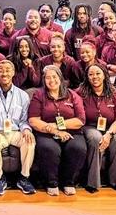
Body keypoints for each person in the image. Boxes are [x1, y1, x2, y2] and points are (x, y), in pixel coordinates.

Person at [0, 60, 37, 196]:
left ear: (13, 73)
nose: (4, 73)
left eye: (8, 70)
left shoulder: (22, 95)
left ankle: (24, 178)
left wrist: (26, 129)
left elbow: (24, 120)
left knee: (29, 140)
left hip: (16, 131)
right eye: (1, 70)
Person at [27, 65, 86, 196]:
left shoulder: (72, 95)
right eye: (48, 77)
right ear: (44, 80)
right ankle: (51, 183)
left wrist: (58, 126)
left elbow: (81, 120)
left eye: (54, 76)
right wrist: (55, 131)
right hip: (46, 132)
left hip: (71, 130)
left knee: (77, 148)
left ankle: (69, 182)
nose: (51, 80)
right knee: (50, 149)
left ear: (60, 78)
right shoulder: (39, 95)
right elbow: (33, 120)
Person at [77, 64, 116, 193]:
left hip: (110, 128)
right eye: (91, 74)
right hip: (89, 126)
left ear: (105, 75)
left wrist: (109, 134)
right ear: (87, 77)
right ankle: (92, 182)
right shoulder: (80, 93)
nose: (95, 77)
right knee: (95, 138)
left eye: (98, 74)